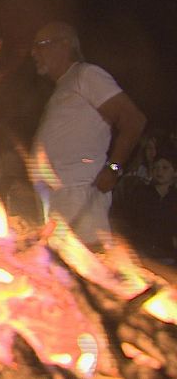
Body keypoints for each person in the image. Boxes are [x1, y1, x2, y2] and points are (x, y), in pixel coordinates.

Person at [29, 22, 146, 252]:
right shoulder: (63, 86)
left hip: (81, 196)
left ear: (65, 45)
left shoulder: (86, 75)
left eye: (40, 45)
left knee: (89, 265)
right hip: (57, 201)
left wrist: (113, 168)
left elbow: (134, 120)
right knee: (59, 271)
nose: (33, 53)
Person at [116, 151, 177, 264]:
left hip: (166, 254)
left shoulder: (173, 198)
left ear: (175, 172)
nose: (159, 171)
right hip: (141, 253)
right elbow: (127, 220)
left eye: (165, 168)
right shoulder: (141, 194)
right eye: (156, 168)